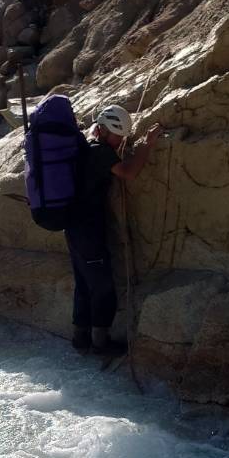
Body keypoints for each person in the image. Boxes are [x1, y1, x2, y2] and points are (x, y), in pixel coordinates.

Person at [66, 103, 162, 355]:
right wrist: (146, 146)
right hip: (89, 229)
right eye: (118, 136)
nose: (120, 141)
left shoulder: (87, 148)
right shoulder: (101, 152)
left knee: (84, 282)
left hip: (74, 227)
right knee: (102, 285)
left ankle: (80, 337)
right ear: (105, 131)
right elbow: (128, 172)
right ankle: (100, 341)